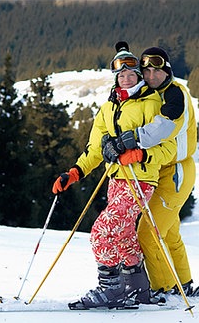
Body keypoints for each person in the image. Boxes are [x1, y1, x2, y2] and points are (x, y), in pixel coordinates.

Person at [52, 41, 176, 310]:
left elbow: (169, 147)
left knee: (102, 231)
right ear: (116, 78)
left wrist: (142, 155)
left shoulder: (152, 102)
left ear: (139, 76)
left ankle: (111, 290)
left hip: (140, 181)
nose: (127, 78)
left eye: (132, 74)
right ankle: (137, 288)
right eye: (122, 75)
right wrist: (75, 172)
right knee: (122, 234)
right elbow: (95, 148)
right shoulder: (108, 108)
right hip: (116, 181)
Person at [104, 46, 199, 297]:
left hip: (176, 170)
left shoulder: (175, 94)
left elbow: (162, 129)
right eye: (146, 70)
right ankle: (184, 283)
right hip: (162, 168)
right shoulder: (153, 95)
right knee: (169, 232)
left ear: (167, 69)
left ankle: (163, 287)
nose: (150, 75)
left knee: (148, 232)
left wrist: (130, 140)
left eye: (156, 70)